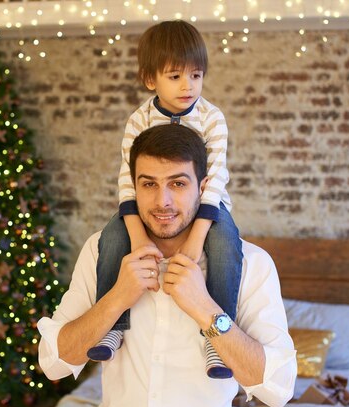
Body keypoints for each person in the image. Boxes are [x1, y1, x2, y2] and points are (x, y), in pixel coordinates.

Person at [37, 124, 297, 407]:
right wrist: (116, 298)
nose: (163, 201)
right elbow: (53, 362)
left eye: (178, 184)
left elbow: (277, 389)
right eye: (149, 184)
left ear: (203, 187)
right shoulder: (102, 250)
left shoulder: (250, 262)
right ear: (132, 188)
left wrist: (206, 310)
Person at [88, 19, 243, 379]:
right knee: (111, 239)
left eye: (196, 75)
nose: (188, 86)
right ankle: (114, 323)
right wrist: (138, 236)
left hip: (208, 208)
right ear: (150, 79)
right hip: (143, 209)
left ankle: (216, 338)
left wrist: (195, 242)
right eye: (175, 76)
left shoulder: (212, 119)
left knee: (226, 245)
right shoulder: (139, 120)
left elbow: (214, 182)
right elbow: (128, 183)